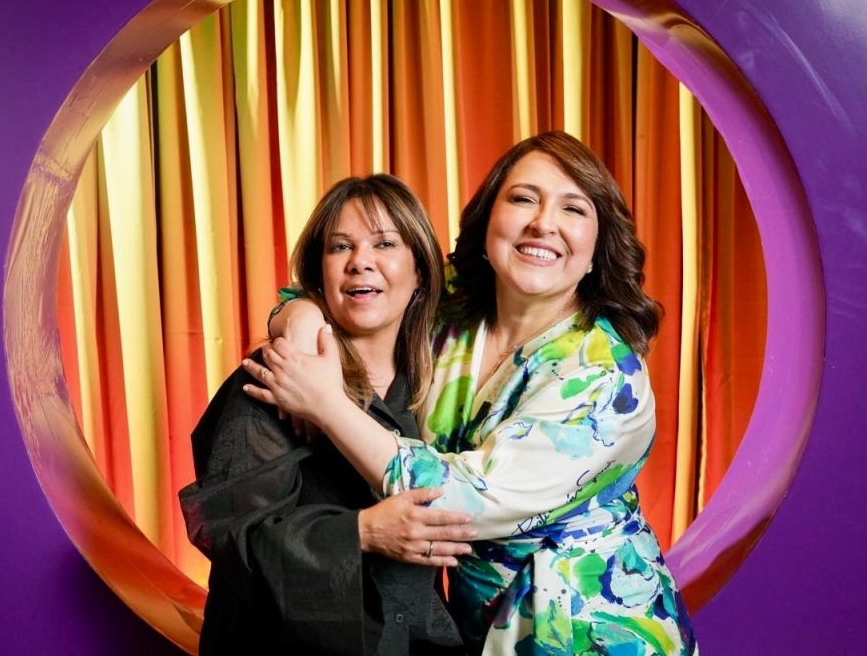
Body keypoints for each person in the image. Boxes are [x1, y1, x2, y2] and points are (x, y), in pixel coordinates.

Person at [245, 131, 698, 654]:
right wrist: (301, 323)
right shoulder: (453, 306)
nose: (543, 223)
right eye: (524, 198)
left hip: (592, 630)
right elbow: (349, 292)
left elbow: (461, 504)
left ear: (598, 250)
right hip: (476, 625)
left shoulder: (606, 376)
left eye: (572, 208)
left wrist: (326, 404)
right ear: (487, 223)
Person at [180, 174, 474, 655]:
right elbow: (233, 539)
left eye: (385, 243)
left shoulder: (440, 384)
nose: (361, 261)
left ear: (421, 271)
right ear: (319, 275)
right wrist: (362, 533)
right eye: (341, 247)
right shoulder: (275, 378)